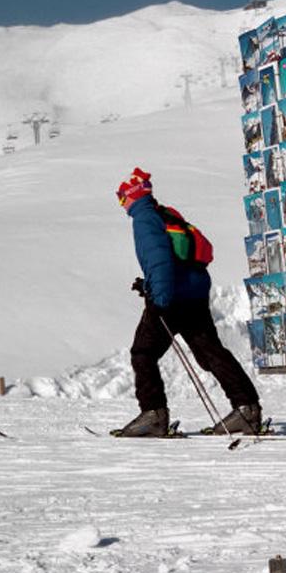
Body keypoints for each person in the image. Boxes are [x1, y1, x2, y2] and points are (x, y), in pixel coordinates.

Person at [114, 168, 262, 437]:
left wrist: (159, 297)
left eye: (121, 196)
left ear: (132, 196)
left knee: (143, 353)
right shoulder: (165, 213)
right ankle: (247, 409)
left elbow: (159, 259)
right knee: (211, 353)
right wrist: (148, 284)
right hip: (194, 293)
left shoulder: (144, 218)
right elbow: (176, 259)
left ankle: (153, 415)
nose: (121, 203)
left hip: (171, 299)